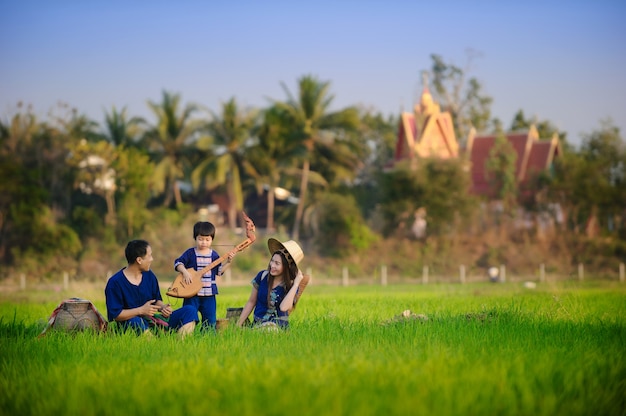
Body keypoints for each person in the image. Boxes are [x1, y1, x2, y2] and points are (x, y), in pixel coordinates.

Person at [105, 240, 197, 337]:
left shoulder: (149, 275)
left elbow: (156, 300)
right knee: (135, 321)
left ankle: (179, 344)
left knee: (190, 310)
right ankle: (153, 344)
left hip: (153, 321)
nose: (152, 259)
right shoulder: (115, 283)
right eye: (149, 256)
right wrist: (140, 310)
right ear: (139, 260)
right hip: (132, 323)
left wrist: (163, 308)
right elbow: (116, 315)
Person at [174, 221, 233, 330]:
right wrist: (185, 272)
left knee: (210, 320)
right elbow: (178, 263)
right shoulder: (190, 253)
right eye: (200, 239)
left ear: (212, 240)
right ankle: (186, 334)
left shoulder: (214, 255)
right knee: (189, 317)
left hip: (209, 294)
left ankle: (207, 337)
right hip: (191, 294)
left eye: (207, 240)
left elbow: (219, 271)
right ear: (195, 238)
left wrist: (228, 262)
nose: (204, 242)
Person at [237, 238, 305, 329]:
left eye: (277, 263)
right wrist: (237, 325)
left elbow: (284, 308)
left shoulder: (291, 286)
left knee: (269, 329)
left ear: (286, 267)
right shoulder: (262, 276)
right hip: (258, 324)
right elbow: (251, 302)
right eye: (272, 261)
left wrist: (296, 284)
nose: (272, 265)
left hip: (277, 328)